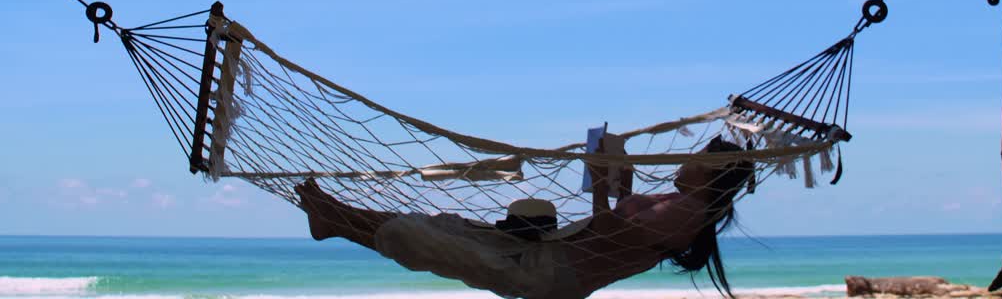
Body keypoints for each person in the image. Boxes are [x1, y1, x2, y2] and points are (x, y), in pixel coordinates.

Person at [294, 136, 755, 299]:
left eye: (696, 156)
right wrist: (622, 181)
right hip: (549, 252)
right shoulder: (685, 205)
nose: (685, 160)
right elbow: (626, 234)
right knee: (441, 226)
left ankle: (332, 220)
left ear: (711, 170)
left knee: (415, 238)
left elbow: (615, 232)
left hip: (552, 277)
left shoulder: (692, 212)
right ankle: (331, 214)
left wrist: (599, 189)